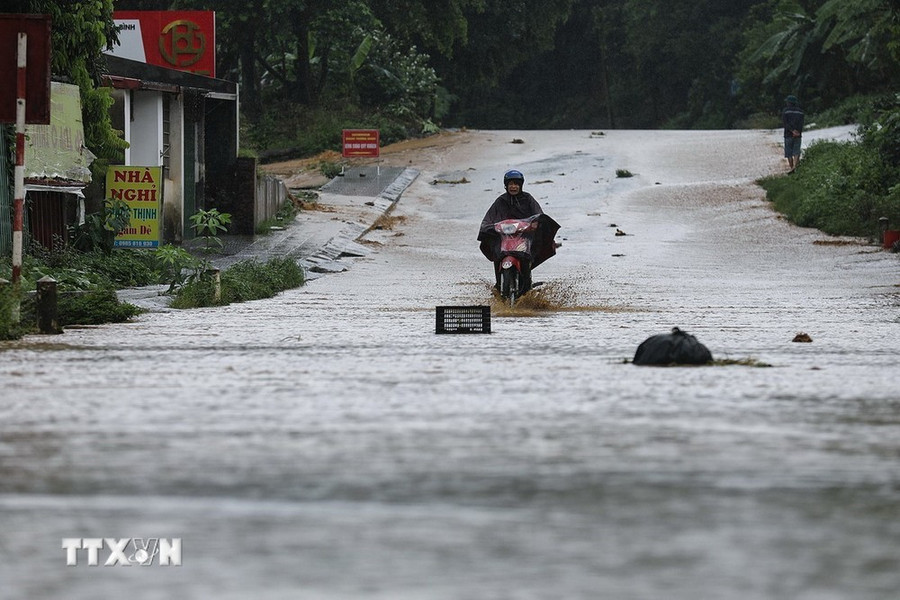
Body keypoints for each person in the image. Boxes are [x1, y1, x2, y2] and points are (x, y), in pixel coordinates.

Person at [477, 169, 558, 292]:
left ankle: (526, 286)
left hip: (524, 237)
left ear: (521, 185)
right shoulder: (501, 201)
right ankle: (499, 284)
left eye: (516, 184)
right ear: (506, 185)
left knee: (525, 257)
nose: (513, 187)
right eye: (510, 184)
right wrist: (488, 226)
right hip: (504, 238)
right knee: (497, 254)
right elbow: (490, 217)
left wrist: (536, 223)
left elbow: (538, 214)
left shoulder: (528, 199)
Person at [782, 95, 805, 173]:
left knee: (789, 152)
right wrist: (797, 131)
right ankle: (795, 167)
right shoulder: (801, 112)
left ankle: (792, 167)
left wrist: (792, 131)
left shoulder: (785, 111)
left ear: (789, 103)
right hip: (798, 134)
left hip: (788, 134)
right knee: (796, 151)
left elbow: (785, 123)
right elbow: (801, 123)